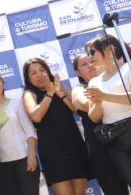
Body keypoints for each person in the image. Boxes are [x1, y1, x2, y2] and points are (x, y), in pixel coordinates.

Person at [22, 57, 91, 195]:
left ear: (48, 71)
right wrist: (49, 93)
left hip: (74, 144)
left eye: (42, 70)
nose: (39, 75)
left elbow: (76, 110)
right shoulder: (29, 94)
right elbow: (36, 116)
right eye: (33, 73)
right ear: (28, 78)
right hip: (52, 151)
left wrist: (59, 93)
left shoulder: (61, 86)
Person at [84, 34, 131, 193]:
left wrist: (105, 96)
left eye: (92, 51)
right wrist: (99, 101)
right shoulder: (94, 82)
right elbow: (94, 117)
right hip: (113, 140)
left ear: (109, 49)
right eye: (87, 53)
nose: (89, 57)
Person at [70, 53, 129, 195]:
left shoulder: (115, 81)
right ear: (78, 72)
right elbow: (90, 107)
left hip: (127, 141)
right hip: (102, 150)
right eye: (84, 64)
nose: (90, 65)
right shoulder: (78, 90)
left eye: (92, 61)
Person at [0, 71, 39, 195]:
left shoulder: (16, 103)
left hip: (24, 160)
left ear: (3, 84)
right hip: (0, 166)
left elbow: (30, 131)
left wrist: (31, 155)